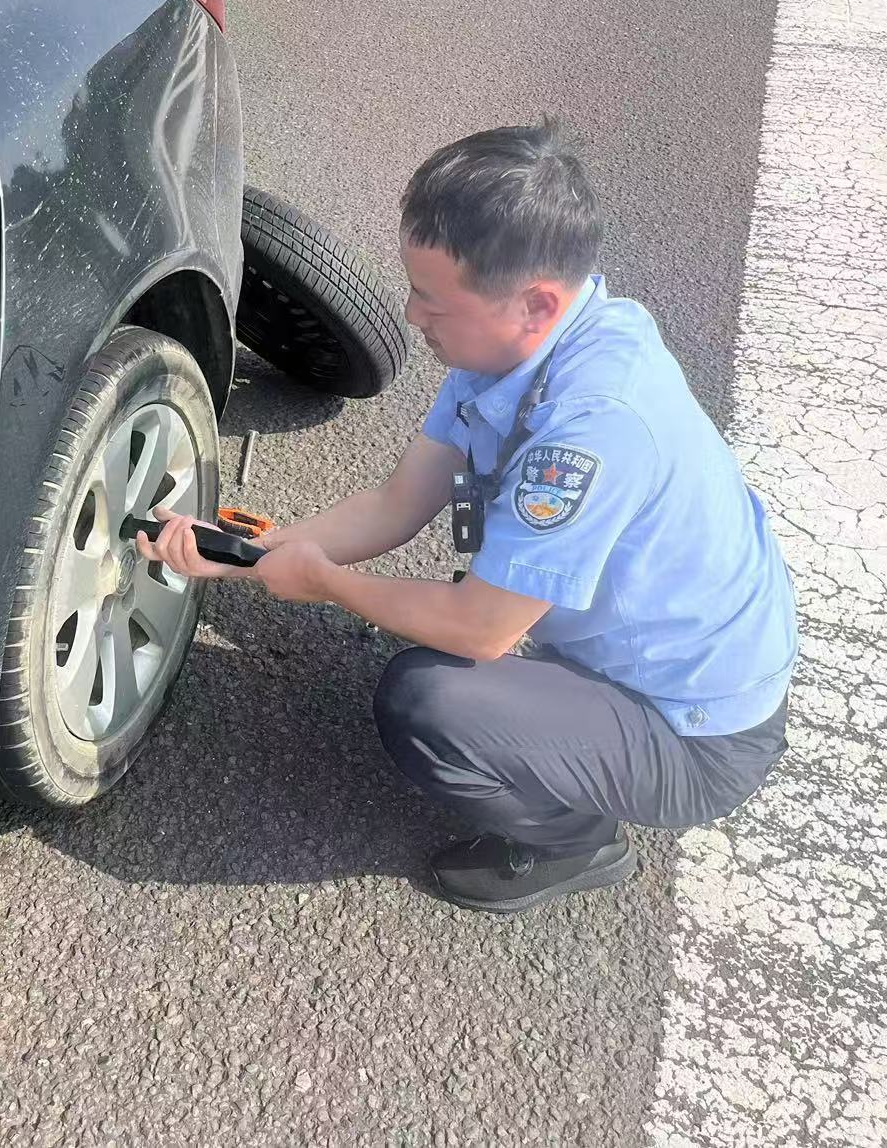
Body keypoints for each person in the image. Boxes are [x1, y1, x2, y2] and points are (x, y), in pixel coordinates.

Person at [137, 120, 798, 914]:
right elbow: (399, 502)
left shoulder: (597, 425)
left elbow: (481, 627)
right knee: (452, 616)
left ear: (533, 303)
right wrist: (264, 547)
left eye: (432, 300)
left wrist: (325, 583)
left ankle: (575, 841)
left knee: (429, 699)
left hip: (694, 731)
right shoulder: (525, 343)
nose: (412, 316)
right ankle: (557, 703)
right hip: (653, 652)